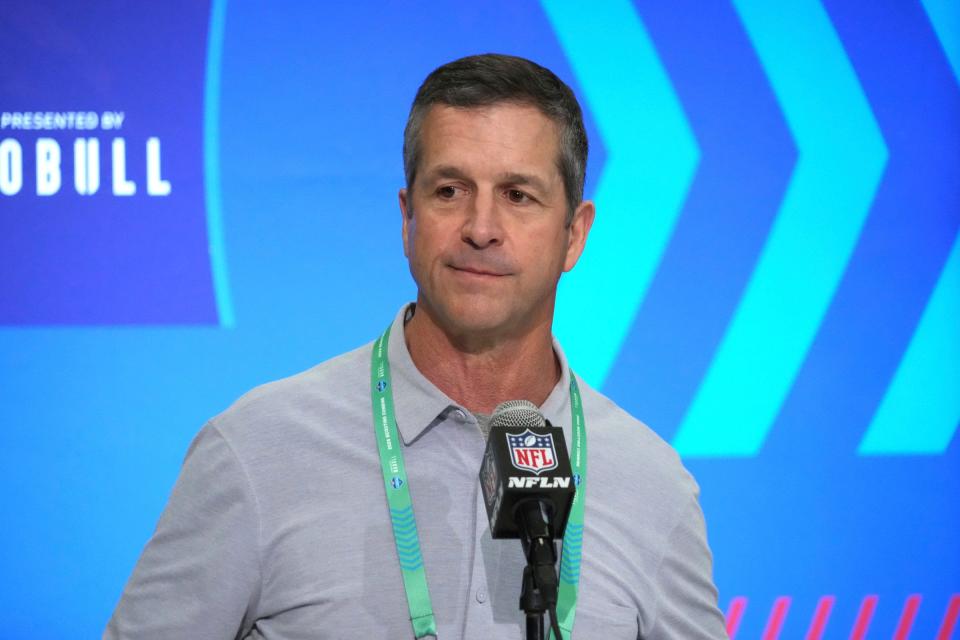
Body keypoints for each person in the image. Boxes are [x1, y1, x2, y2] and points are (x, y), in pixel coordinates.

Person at [105, 53, 728, 639]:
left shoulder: (652, 486)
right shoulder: (256, 450)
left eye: (518, 195)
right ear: (408, 219)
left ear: (574, 235)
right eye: (450, 190)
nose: (481, 229)